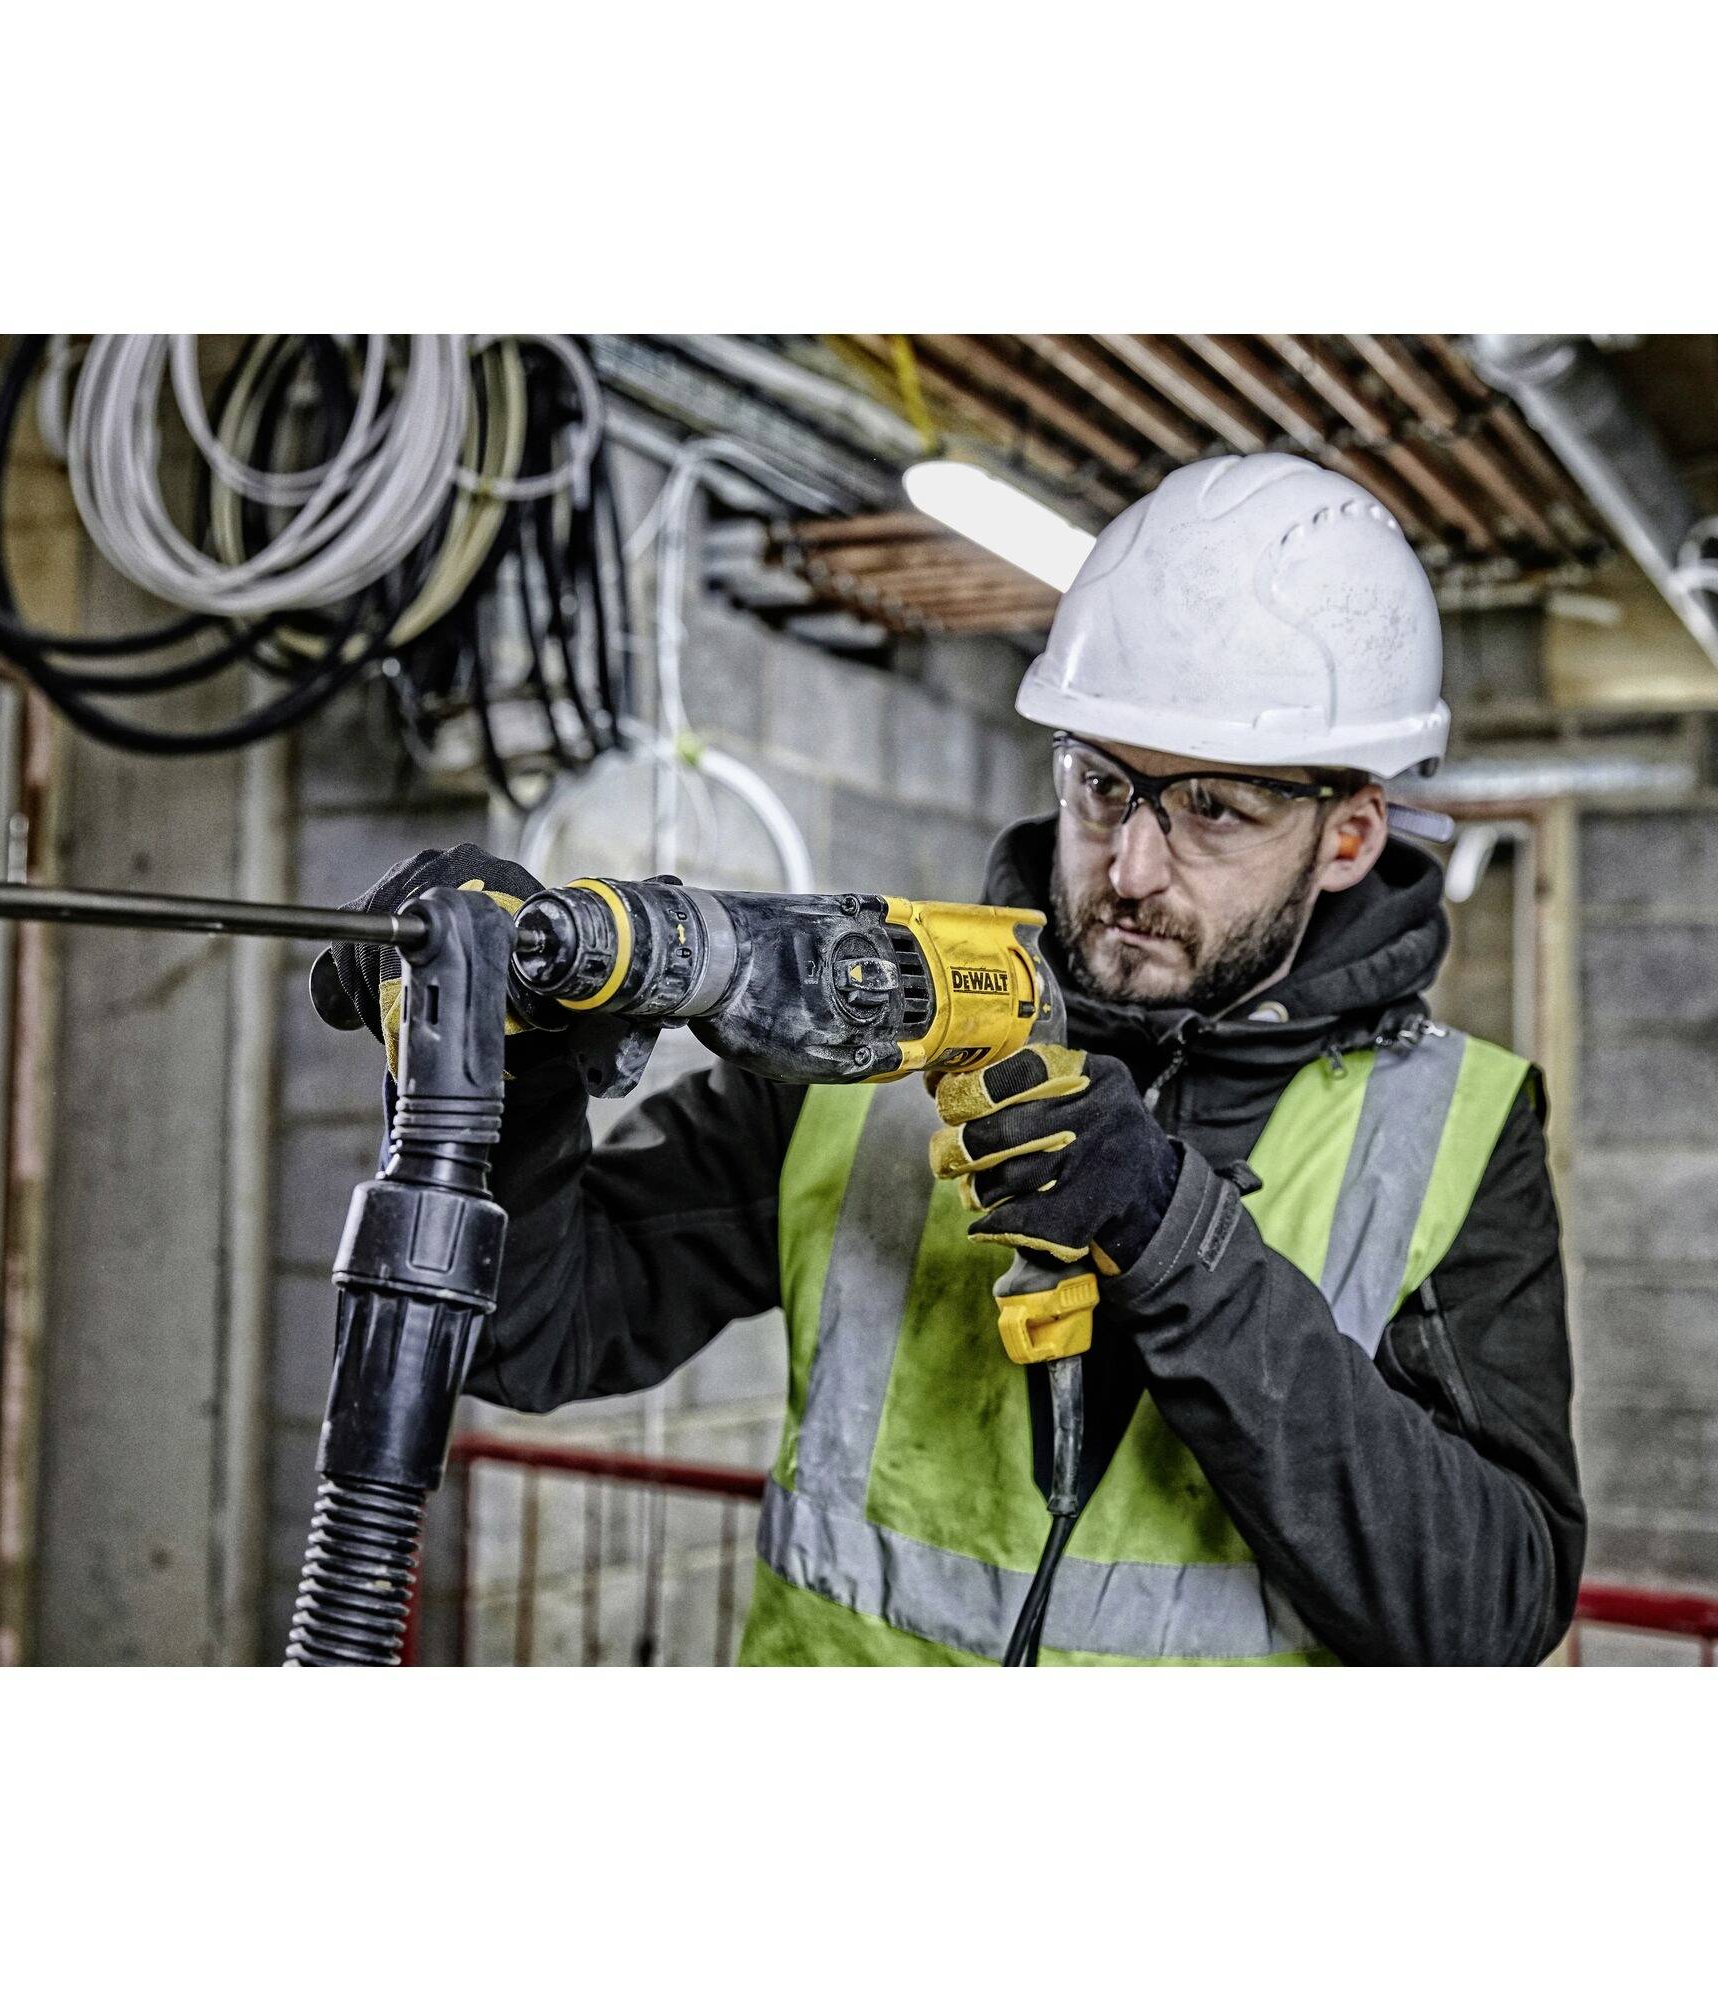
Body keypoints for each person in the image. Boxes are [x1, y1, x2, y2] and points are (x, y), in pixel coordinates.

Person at [323, 453, 1584, 1665]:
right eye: (1103, 786)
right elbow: (531, 1336)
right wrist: (513, 1064)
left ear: (1350, 833)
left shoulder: (1453, 1123)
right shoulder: (888, 1031)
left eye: (1214, 809)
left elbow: (1485, 1608)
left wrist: (1177, 1241)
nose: (1129, 868)